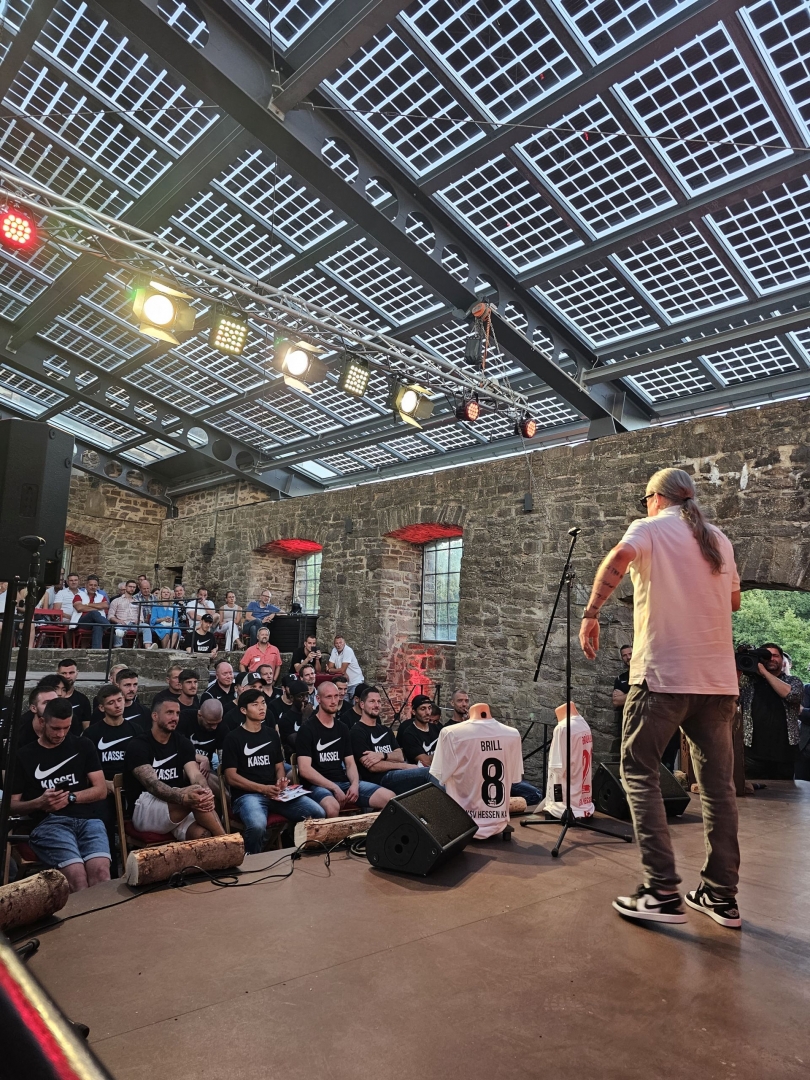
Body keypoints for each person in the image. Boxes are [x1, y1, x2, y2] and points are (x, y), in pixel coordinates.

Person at [580, 467, 742, 929]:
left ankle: (661, 890)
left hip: (663, 677)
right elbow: (731, 602)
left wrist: (591, 613)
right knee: (718, 790)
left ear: (656, 498)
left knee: (638, 769)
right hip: (716, 683)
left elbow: (618, 557)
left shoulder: (649, 528)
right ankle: (720, 895)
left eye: (645, 498)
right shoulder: (719, 540)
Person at [11, 699, 110, 892]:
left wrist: (71, 797)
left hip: (88, 819)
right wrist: (39, 802)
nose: (61, 734)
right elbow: (12, 805)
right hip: (48, 822)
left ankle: (99, 921)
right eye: (56, 728)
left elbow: (101, 790)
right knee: (76, 877)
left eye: (66, 728)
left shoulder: (83, 745)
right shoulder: (24, 755)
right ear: (42, 722)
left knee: (101, 874)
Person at [222, 688, 326, 853]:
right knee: (257, 826)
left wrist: (280, 781)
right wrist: (262, 789)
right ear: (243, 710)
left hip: (276, 793)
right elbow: (230, 777)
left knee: (318, 812)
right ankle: (251, 861)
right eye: (255, 704)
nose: (261, 708)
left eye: (263, 703)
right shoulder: (233, 738)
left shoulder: (271, 735)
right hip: (247, 795)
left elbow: (279, 767)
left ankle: (303, 852)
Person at [124, 698, 226, 841]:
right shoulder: (138, 745)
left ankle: (220, 853)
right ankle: (228, 843)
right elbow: (153, 785)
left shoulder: (182, 742)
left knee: (202, 834)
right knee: (194, 799)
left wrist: (205, 790)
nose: (175, 718)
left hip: (179, 805)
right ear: (155, 716)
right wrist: (183, 796)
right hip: (146, 806)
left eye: (177, 713)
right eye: (169, 713)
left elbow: (195, 775)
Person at [295, 682, 393, 817]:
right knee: (332, 806)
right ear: (318, 699)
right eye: (329, 697)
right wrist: (333, 787)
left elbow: (350, 763)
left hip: (344, 782)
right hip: (317, 786)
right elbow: (305, 770)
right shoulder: (307, 729)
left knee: (390, 798)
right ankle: (333, 838)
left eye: (336, 696)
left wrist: (354, 784)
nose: (334, 701)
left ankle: (366, 836)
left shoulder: (342, 728)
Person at [430, 702, 524, 839]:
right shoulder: (513, 734)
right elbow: (515, 778)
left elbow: (440, 776)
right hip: (498, 821)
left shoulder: (450, 733)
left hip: (464, 824)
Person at [349, 686, 438, 794]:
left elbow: (399, 756)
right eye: (372, 701)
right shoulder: (357, 731)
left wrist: (382, 755)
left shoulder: (385, 730)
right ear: (362, 704)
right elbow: (373, 767)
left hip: (397, 775)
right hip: (379, 779)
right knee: (428, 773)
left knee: (437, 774)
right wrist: (404, 766)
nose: (376, 705)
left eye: (379, 702)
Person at [740, 643, 803, 780]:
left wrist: (764, 673)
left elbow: (792, 695)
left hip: (784, 753)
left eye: (775, 655)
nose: (771, 659)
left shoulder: (792, 681)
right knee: (751, 797)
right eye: (766, 656)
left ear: (782, 659)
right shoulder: (748, 683)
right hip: (753, 753)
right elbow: (731, 695)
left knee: (785, 796)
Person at [83, 683, 143, 789]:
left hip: (131, 785)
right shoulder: (91, 733)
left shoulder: (136, 730)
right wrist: (104, 784)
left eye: (120, 700)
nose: (117, 705)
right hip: (103, 787)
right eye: (111, 702)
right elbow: (86, 768)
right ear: (102, 707)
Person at [180, 698, 227, 796]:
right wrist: (201, 758)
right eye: (210, 724)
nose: (214, 727)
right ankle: (229, 801)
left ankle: (227, 803)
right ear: (200, 715)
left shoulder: (222, 727)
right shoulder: (184, 719)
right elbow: (175, 746)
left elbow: (223, 755)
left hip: (206, 770)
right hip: (181, 765)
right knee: (199, 771)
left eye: (217, 723)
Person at [398, 695, 442, 767]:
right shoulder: (409, 734)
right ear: (414, 712)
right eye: (423, 709)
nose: (428, 712)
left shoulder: (437, 728)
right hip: (422, 773)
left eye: (429, 708)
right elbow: (425, 761)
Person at [108, 580, 153, 648]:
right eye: (130, 586)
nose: (132, 589)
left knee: (146, 626)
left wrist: (139, 621)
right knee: (117, 629)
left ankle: (148, 648)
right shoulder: (116, 601)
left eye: (134, 587)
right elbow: (110, 615)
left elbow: (141, 616)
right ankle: (118, 648)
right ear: (126, 587)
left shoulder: (137, 602)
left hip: (134, 624)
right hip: (122, 623)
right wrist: (118, 621)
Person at [275, 680, 311, 757]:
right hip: (295, 762)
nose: (305, 699)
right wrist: (305, 718)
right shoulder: (285, 720)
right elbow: (300, 744)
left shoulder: (315, 714)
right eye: (301, 696)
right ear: (291, 698)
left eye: (307, 695)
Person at [72, 578, 110, 649]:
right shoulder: (78, 595)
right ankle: (109, 627)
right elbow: (79, 608)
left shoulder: (101, 597)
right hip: (82, 621)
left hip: (96, 622)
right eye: (91, 585)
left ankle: (96, 651)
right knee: (94, 613)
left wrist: (87, 605)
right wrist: (97, 607)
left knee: (98, 626)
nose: (93, 587)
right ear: (86, 585)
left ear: (97, 587)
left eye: (95, 585)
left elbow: (105, 606)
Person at [56, 658, 92, 732]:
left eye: (71, 673)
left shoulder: (83, 700)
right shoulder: (50, 697)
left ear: (77, 673)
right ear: (57, 674)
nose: (67, 676)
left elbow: (86, 726)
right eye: (64, 673)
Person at [611, 644, 633, 755]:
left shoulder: (644, 675)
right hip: (625, 723)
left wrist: (624, 696)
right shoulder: (621, 678)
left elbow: (646, 696)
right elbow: (616, 701)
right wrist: (636, 695)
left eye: (630, 654)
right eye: (624, 655)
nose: (628, 657)